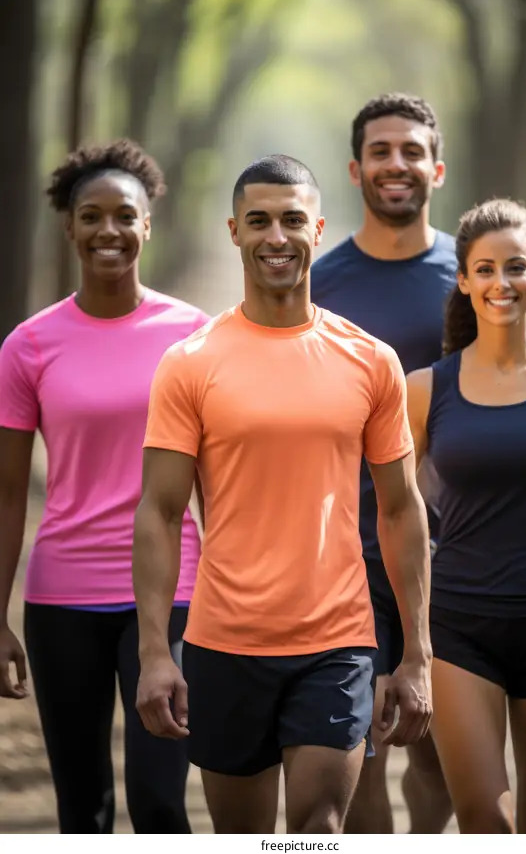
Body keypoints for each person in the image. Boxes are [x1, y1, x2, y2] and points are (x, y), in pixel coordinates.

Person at [132, 154, 433, 834]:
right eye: (259, 221)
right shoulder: (190, 362)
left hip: (338, 640)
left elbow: (400, 508)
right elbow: (159, 510)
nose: (276, 236)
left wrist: (417, 653)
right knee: (244, 839)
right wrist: (156, 651)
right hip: (224, 641)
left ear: (318, 229)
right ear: (233, 231)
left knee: (318, 830)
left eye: (292, 220)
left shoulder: (370, 359)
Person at [0, 139, 209, 833]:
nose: (109, 231)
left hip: (174, 592)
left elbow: (219, 481)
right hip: (63, 596)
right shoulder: (29, 345)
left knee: (159, 803)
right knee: (81, 811)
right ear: (70, 227)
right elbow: (7, 493)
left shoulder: (192, 336)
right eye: (92, 216)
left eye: (125, 215)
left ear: (148, 224)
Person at [406, 198, 526, 833]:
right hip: (459, 629)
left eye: (514, 267)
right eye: (484, 270)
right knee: (488, 825)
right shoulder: (424, 390)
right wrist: (406, 642)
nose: (500, 283)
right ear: (463, 279)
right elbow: (396, 518)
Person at [311, 92, 454, 833]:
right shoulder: (317, 285)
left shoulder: (478, 278)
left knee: (437, 757)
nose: (395, 164)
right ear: (355, 168)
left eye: (409, 151)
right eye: (379, 151)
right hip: (344, 557)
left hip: (455, 554)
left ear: (437, 165)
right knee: (355, 748)